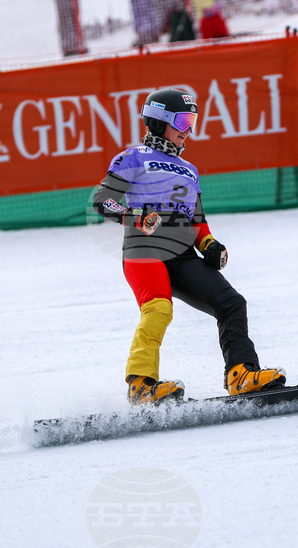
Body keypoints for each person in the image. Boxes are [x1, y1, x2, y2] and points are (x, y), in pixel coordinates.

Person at [92, 88, 286, 405]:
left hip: (183, 254)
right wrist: (135, 216)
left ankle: (242, 374)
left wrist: (209, 244)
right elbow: (102, 202)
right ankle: (141, 386)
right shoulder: (133, 157)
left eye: (192, 120)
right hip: (145, 250)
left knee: (232, 303)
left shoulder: (190, 169)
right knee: (158, 309)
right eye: (182, 120)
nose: (188, 130)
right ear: (157, 123)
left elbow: (196, 219)